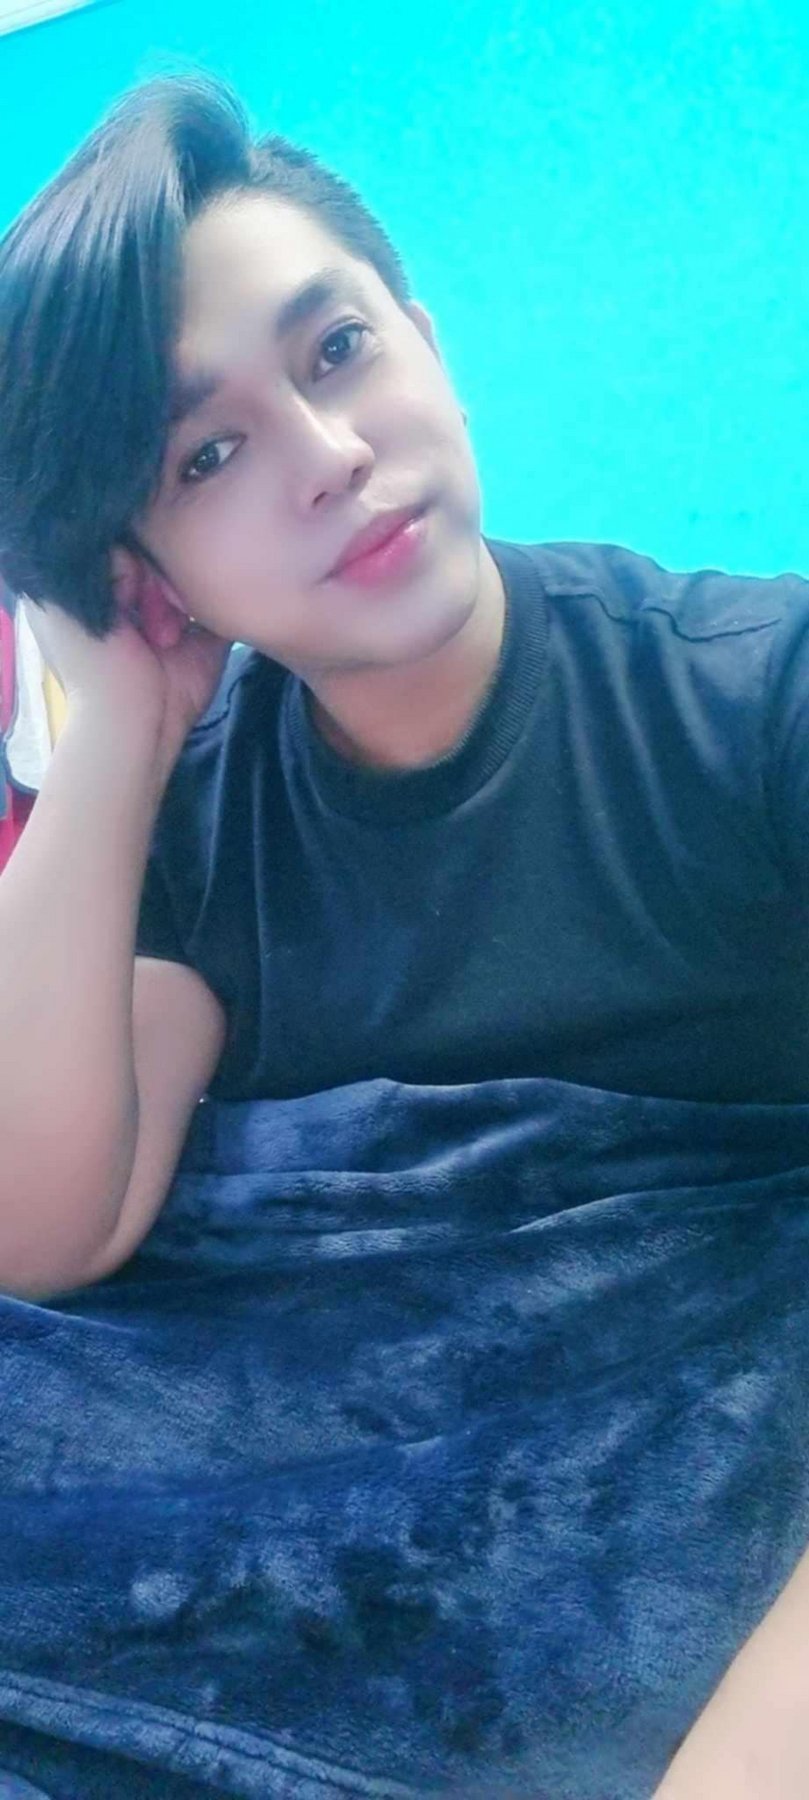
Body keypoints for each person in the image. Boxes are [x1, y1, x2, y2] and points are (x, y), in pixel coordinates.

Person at [3, 68, 809, 1800]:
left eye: (338, 350)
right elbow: (41, 1233)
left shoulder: (757, 698)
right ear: (147, 570)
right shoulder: (191, 812)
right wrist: (118, 726)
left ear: (425, 345)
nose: (328, 458)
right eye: (206, 455)